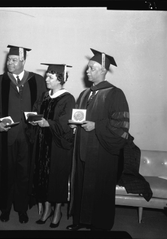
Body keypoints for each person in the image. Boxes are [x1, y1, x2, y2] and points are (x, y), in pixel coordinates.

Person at [67, 48, 130, 231]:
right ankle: (81, 221)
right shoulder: (85, 94)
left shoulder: (115, 94)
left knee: (99, 188)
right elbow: (80, 119)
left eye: (92, 68)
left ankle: (99, 225)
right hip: (82, 149)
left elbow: (121, 126)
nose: (87, 72)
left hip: (102, 151)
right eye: (88, 68)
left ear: (103, 70)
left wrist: (97, 126)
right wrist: (74, 126)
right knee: (81, 185)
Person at [0, 45, 47, 224]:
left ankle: (22, 208)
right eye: (8, 60)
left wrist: (38, 120)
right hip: (7, 136)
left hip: (28, 136)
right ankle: (5, 208)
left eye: (14, 60)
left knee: (24, 173)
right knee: (5, 172)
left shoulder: (37, 80)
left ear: (23, 61)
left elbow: (43, 105)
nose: (9, 63)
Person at [30, 63, 75, 228]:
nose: (46, 79)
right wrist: (33, 119)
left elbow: (65, 123)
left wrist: (47, 123)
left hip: (58, 146)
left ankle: (57, 211)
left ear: (60, 79)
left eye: (50, 77)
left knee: (56, 179)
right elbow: (35, 111)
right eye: (47, 75)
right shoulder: (44, 95)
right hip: (43, 143)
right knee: (43, 177)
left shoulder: (68, 98)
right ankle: (47, 209)